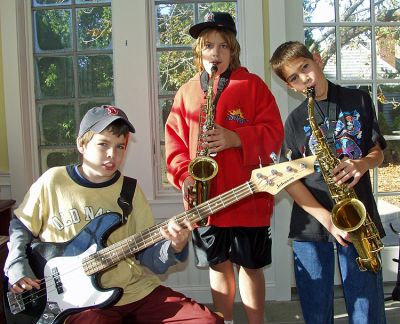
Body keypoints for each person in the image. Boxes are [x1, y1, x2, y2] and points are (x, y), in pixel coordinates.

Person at [4, 105, 224, 324]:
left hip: (135, 290)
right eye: (103, 144)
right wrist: (16, 266)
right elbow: (20, 227)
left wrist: (174, 246)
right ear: (82, 144)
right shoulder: (53, 181)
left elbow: (149, 258)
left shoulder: (129, 190)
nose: (112, 154)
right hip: (79, 302)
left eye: (120, 147)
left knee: (207, 321)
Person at [165, 12, 284, 324]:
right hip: (206, 200)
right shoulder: (187, 91)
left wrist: (236, 138)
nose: (214, 53)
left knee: (251, 266)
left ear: (233, 50)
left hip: (248, 196)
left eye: (222, 46)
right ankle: (225, 321)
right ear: (199, 51)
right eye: (208, 46)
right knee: (219, 265)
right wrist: (184, 174)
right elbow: (174, 142)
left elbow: (274, 133)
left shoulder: (253, 85)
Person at [270, 41, 387, 324]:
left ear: (317, 59)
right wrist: (326, 218)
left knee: (366, 308)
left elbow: (378, 151)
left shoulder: (358, 99)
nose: (304, 79)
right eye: (294, 78)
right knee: (316, 310)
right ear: (290, 86)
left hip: (358, 219)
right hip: (312, 223)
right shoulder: (295, 121)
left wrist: (363, 163)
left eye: (305, 68)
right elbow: (289, 180)